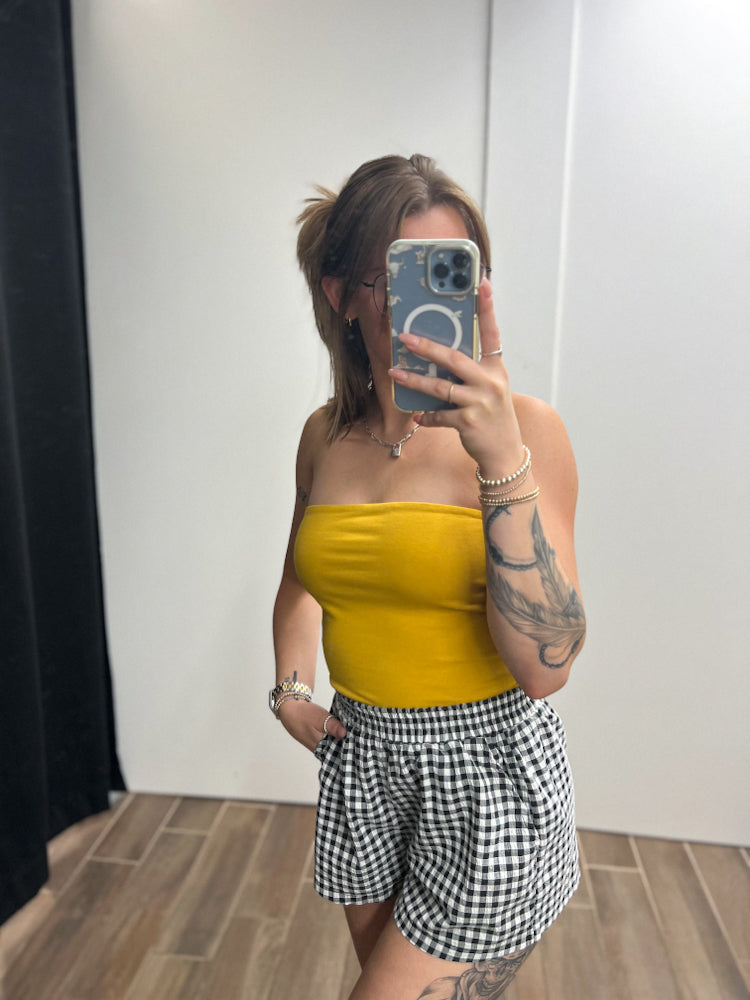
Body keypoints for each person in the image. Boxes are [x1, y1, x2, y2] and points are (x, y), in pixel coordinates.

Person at [271, 153, 586, 1000]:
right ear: (342, 295)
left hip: (487, 780)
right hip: (363, 768)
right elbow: (301, 581)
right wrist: (292, 690)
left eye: (453, 270)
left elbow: (547, 666)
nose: (430, 300)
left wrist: (501, 461)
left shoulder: (529, 432)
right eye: (398, 276)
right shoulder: (323, 436)